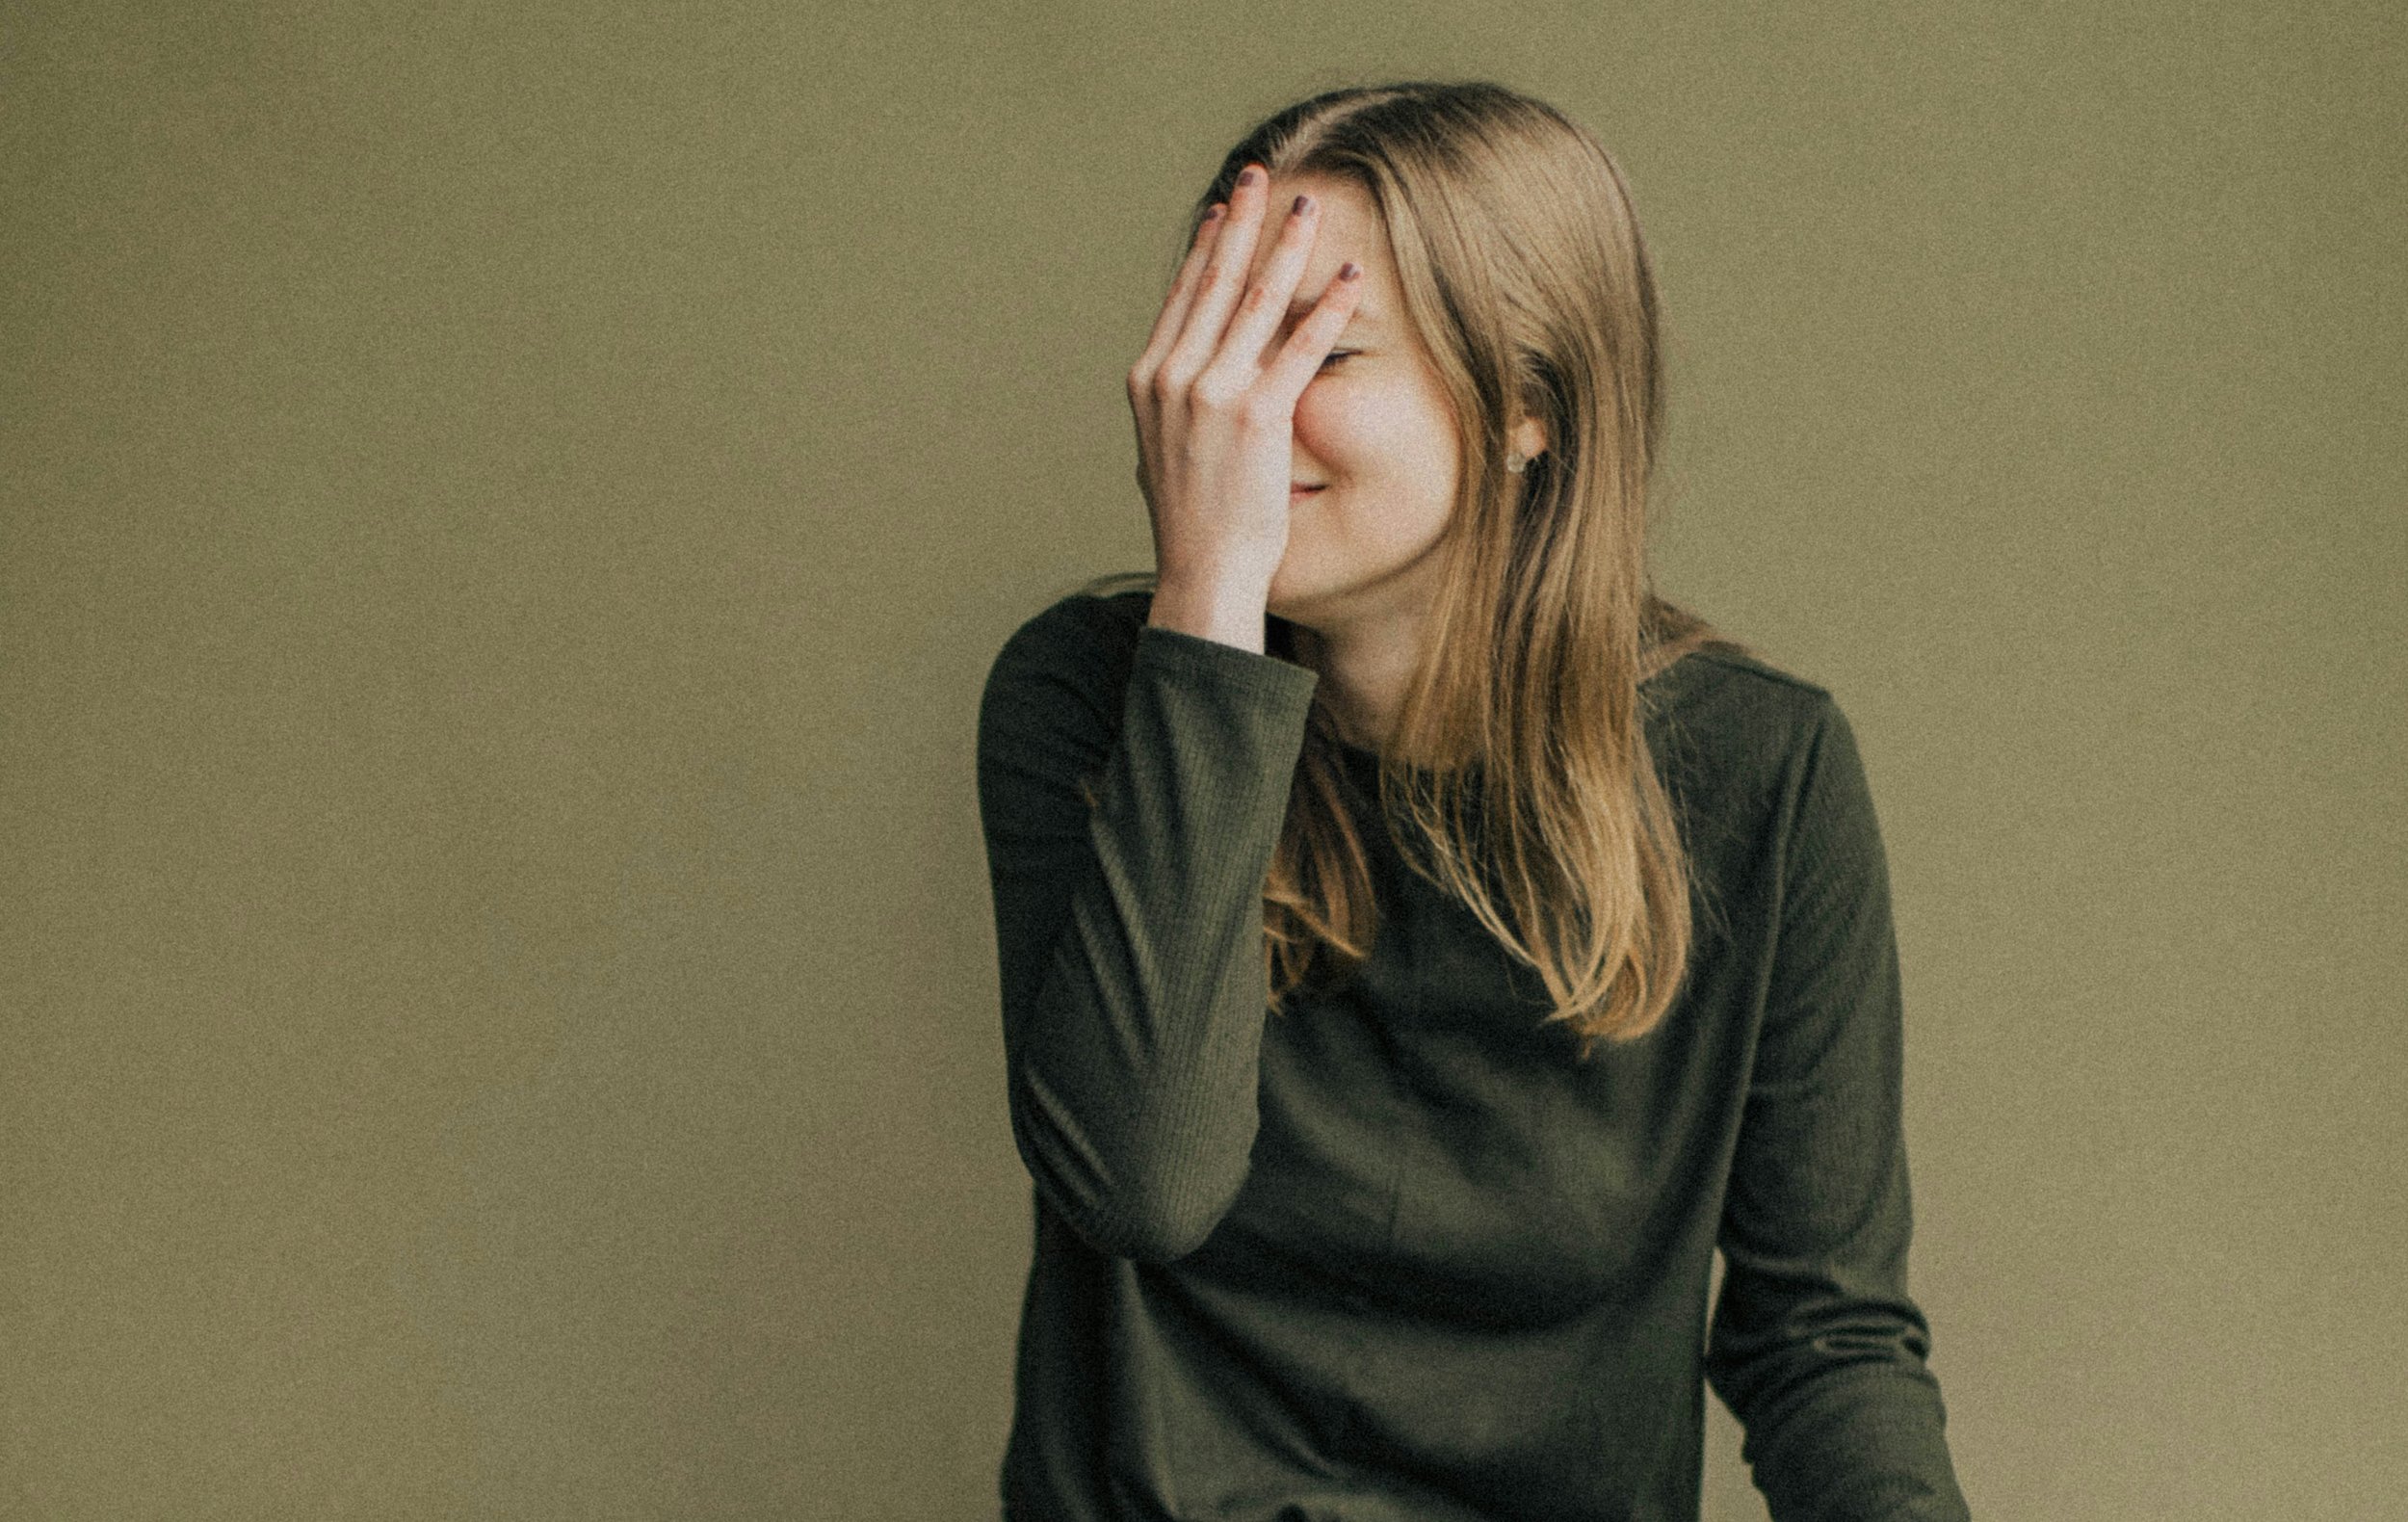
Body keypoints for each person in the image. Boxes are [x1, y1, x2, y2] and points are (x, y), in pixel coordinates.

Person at [975, 79, 1972, 1522]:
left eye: (1313, 347)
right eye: (1213, 339)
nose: (1228, 411)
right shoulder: (1086, 699)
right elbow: (1140, 1187)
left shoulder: (1764, 772)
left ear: (1527, 410)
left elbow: (1824, 1339)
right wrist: (1206, 607)